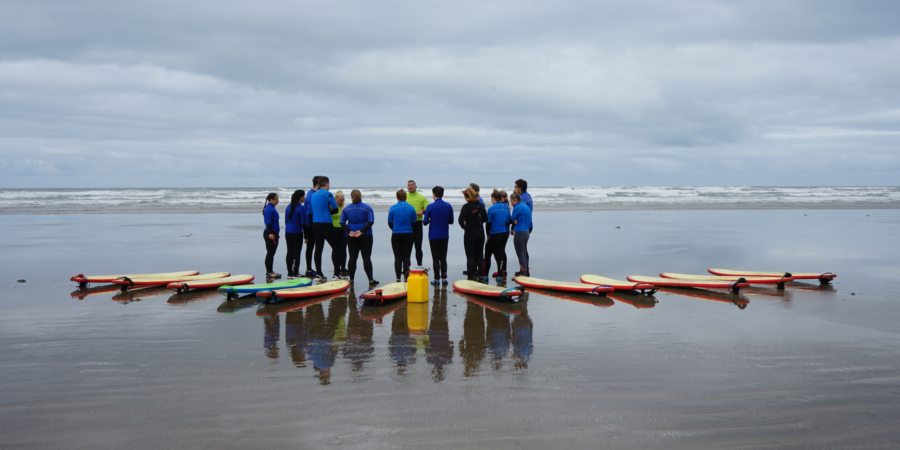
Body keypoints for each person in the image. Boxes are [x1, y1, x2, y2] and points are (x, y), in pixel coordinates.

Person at [340, 189, 378, 286]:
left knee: (352, 257)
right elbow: (371, 222)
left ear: (351, 197)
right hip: (366, 235)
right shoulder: (367, 208)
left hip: (351, 235)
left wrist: (349, 232)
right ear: (361, 196)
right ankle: (370, 279)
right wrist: (361, 231)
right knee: (366, 258)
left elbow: (342, 222)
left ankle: (351, 279)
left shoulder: (346, 209)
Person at [311, 176, 341, 280]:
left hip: (315, 224)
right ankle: (336, 274)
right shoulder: (328, 194)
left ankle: (319, 274)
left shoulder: (313, 195)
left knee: (318, 249)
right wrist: (329, 210)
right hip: (326, 223)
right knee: (336, 247)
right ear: (327, 184)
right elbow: (336, 210)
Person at [422, 186, 454, 285]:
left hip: (433, 235)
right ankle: (444, 278)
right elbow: (451, 221)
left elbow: (425, 222)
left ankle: (436, 279)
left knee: (435, 258)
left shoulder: (430, 207)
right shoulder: (448, 206)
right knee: (443, 257)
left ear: (434, 194)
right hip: (444, 234)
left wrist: (431, 219)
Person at [387, 189, 416, 282]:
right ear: (406, 197)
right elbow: (414, 223)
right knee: (407, 257)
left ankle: (398, 278)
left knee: (398, 257)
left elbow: (390, 222)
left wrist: (395, 229)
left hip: (396, 234)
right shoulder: (411, 208)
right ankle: (406, 278)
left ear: (397, 197)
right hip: (408, 234)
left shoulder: (393, 208)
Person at [459, 187, 487, 281]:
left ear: (467, 196)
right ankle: (482, 276)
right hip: (480, 233)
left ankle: (470, 278)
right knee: (479, 256)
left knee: (470, 257)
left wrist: (464, 226)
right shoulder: (481, 205)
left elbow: (460, 219)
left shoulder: (466, 207)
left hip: (470, 233)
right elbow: (485, 218)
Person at [484, 189, 511, 280]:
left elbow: (488, 223)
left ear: (494, 198)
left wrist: (488, 234)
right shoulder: (506, 208)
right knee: (500, 254)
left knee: (488, 255)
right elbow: (508, 222)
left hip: (494, 234)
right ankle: (499, 276)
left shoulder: (491, 209)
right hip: (503, 234)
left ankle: (486, 276)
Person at [405, 180, 430, 266]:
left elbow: (428, 209)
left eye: (412, 185)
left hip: (418, 223)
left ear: (416, 187)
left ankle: (419, 265)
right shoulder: (405, 197)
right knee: (407, 247)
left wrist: (422, 212)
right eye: (409, 185)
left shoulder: (422, 197)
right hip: (407, 224)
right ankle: (406, 267)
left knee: (418, 247)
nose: (410, 186)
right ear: (407, 187)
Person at [284, 189, 307, 278]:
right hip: (297, 232)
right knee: (297, 253)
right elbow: (303, 223)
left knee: (289, 252)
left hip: (288, 232)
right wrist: (306, 235)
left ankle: (290, 273)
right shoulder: (302, 208)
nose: (304, 198)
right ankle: (296, 272)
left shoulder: (288, 207)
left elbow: (286, 220)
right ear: (301, 197)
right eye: (304, 196)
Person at [510, 191, 532, 277]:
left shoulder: (517, 207)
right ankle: (525, 270)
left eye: (511, 200)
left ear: (515, 199)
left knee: (520, 254)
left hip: (520, 232)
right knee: (524, 252)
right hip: (526, 232)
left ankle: (523, 272)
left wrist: (513, 222)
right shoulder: (525, 206)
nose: (511, 202)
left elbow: (511, 219)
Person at [303, 176, 320, 277]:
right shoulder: (311, 195)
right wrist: (314, 228)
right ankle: (309, 269)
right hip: (310, 225)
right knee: (310, 247)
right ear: (317, 185)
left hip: (311, 224)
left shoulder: (312, 194)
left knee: (312, 247)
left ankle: (310, 268)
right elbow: (310, 213)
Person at [262, 192, 281, 278]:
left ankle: (270, 271)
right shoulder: (269, 209)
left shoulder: (272, 208)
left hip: (274, 233)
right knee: (270, 253)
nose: (278, 200)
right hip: (270, 234)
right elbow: (268, 223)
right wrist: (271, 233)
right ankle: (269, 272)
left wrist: (276, 233)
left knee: (272, 253)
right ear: (271, 200)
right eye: (276, 199)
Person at [331, 191, 347, 277]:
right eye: (340, 200)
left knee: (344, 248)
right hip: (334, 228)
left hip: (342, 228)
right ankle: (336, 267)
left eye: (343, 200)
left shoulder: (343, 207)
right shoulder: (332, 207)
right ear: (335, 199)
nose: (341, 202)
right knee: (336, 249)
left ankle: (343, 267)